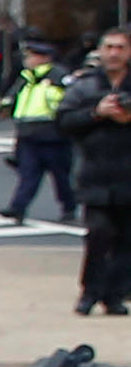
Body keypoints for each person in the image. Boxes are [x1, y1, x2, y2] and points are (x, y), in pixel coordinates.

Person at [61, 30, 131, 315]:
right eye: (109, 47)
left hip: (128, 173)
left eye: (121, 47)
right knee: (98, 234)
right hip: (96, 173)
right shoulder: (85, 86)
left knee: (127, 240)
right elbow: (65, 121)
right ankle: (90, 290)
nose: (114, 53)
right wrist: (96, 113)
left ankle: (114, 293)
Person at [1, 40, 75, 220]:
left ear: (44, 58)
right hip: (28, 134)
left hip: (52, 135)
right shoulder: (27, 77)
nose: (27, 59)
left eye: (31, 56)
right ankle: (18, 208)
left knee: (61, 176)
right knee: (28, 174)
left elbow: (68, 100)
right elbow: (14, 98)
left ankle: (69, 206)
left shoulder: (57, 76)